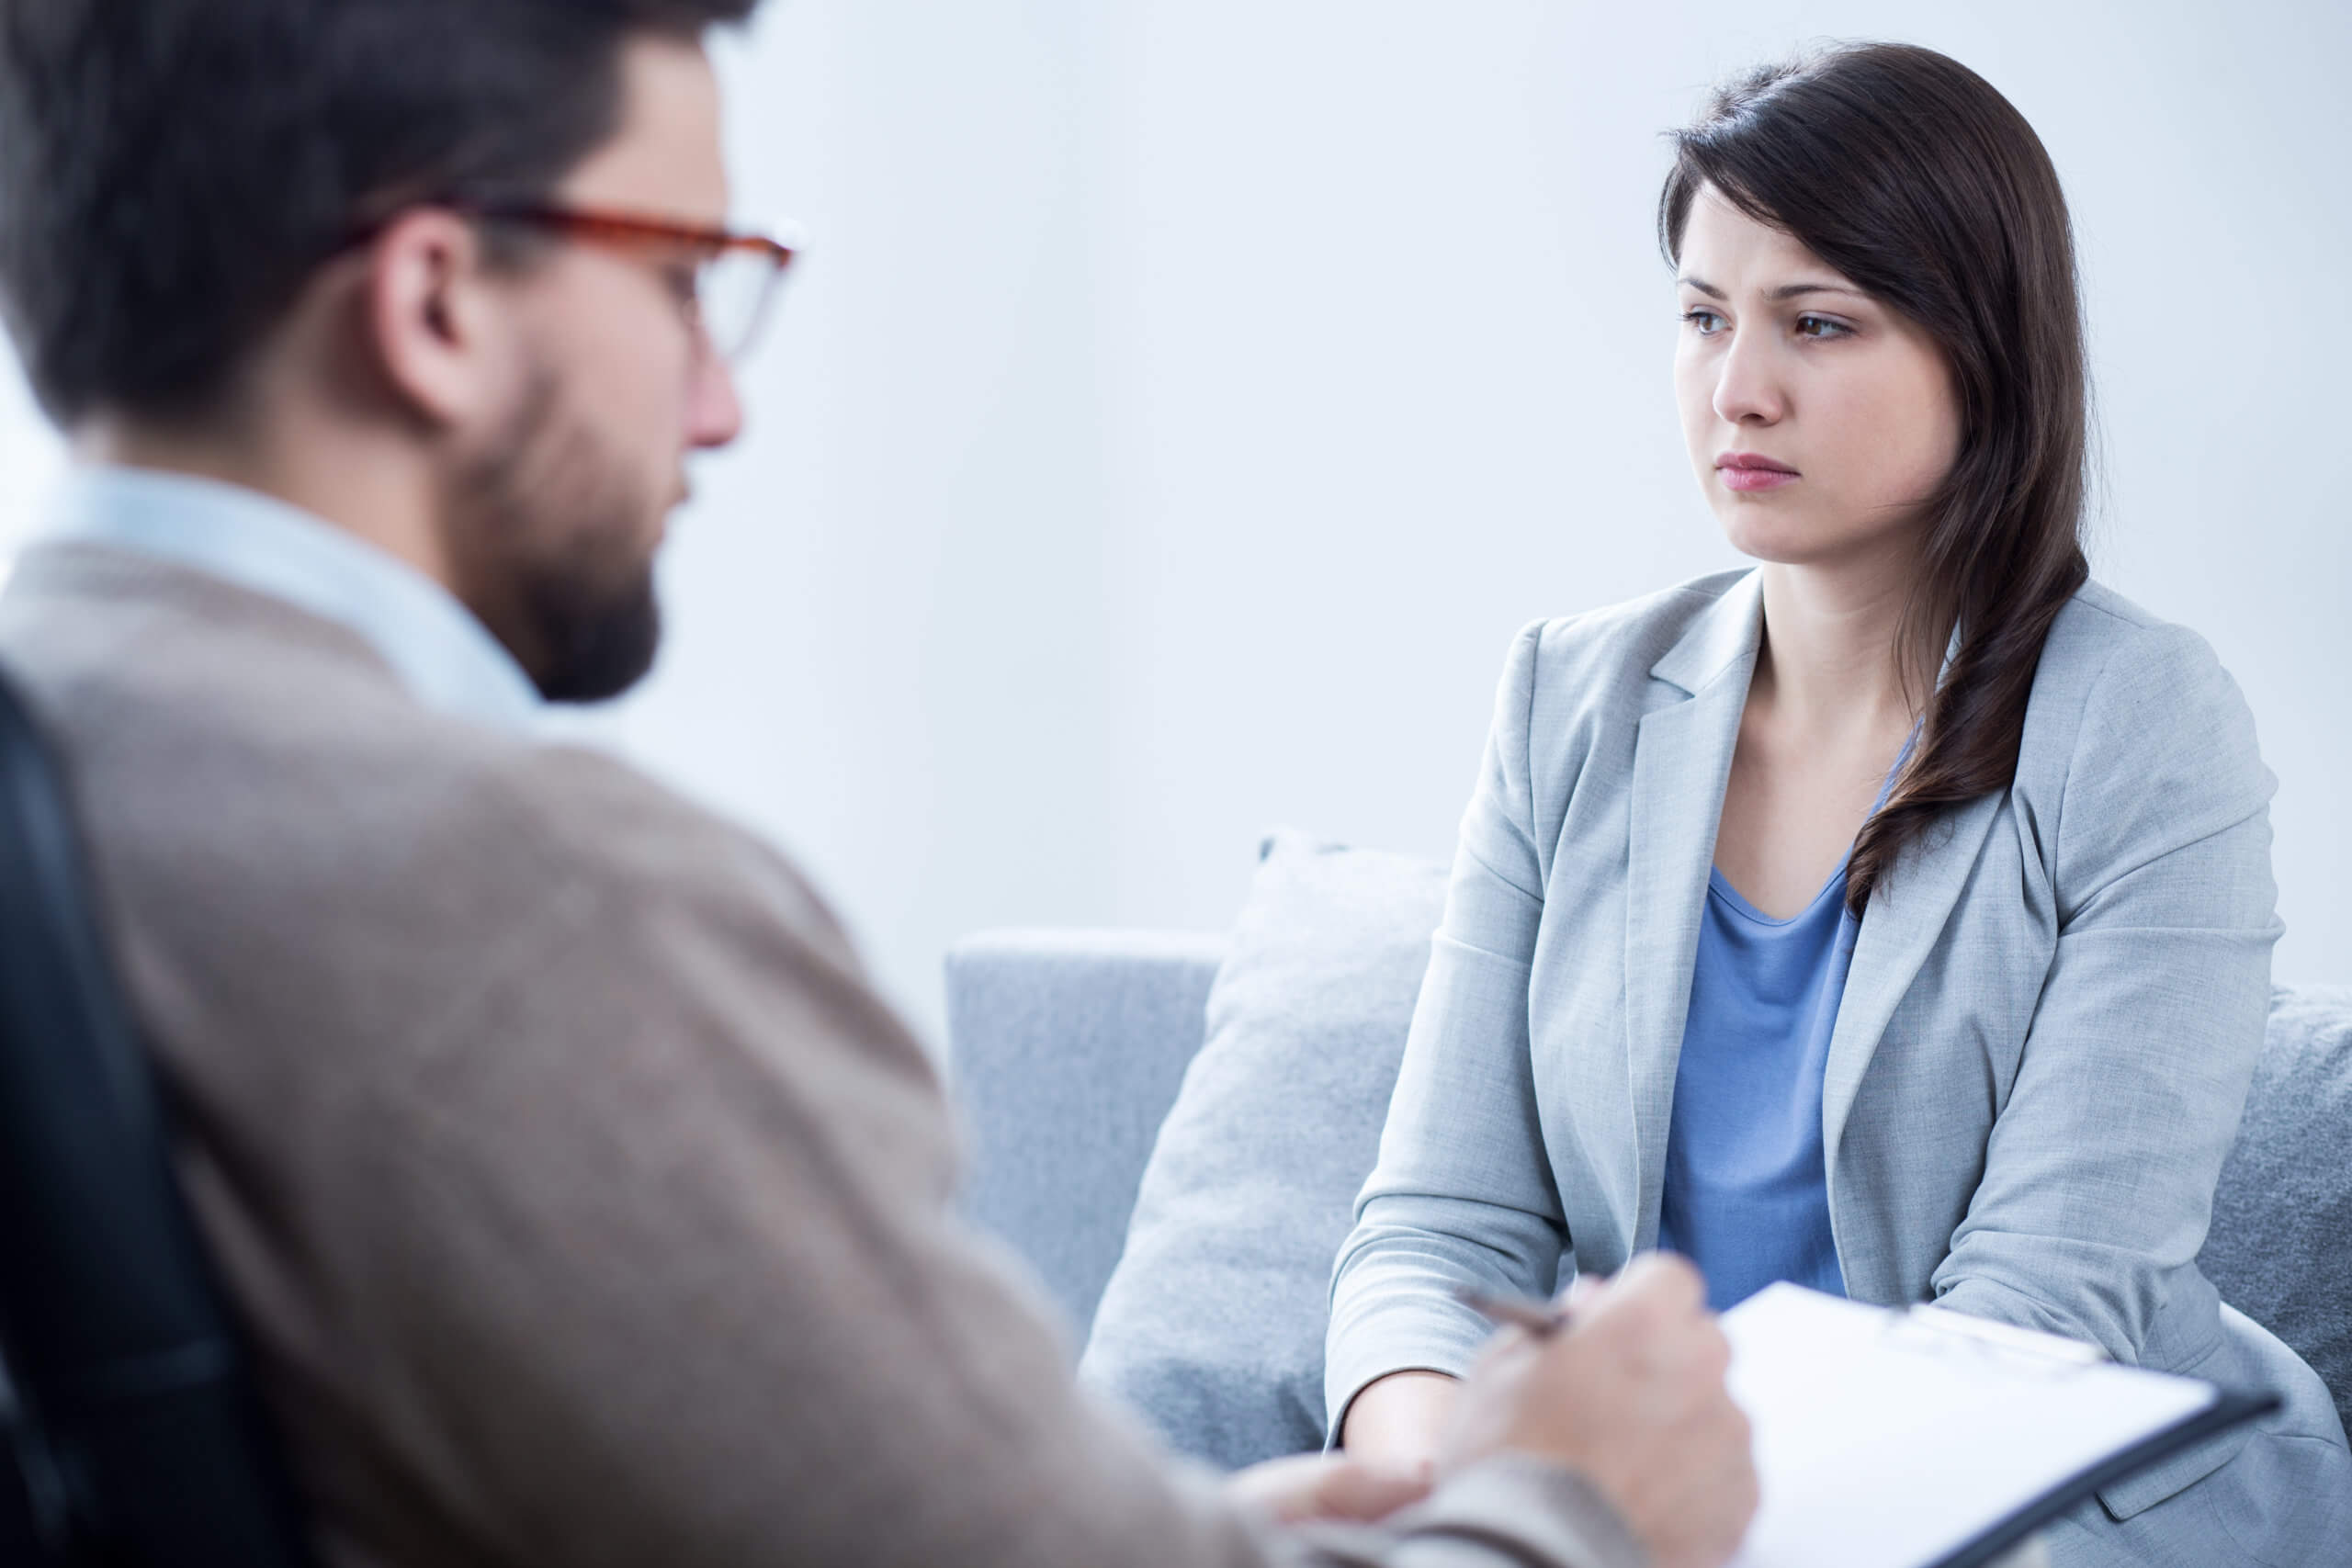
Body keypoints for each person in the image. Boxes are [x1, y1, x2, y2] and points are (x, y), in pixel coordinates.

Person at [0, 2, 1760, 1566]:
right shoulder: (536, 907)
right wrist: (1569, 1509)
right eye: (684, 277)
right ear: (437, 303)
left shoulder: (80, 759)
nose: (718, 405)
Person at [1325, 40, 2352, 1568]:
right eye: (1703, 317)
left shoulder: (2140, 722)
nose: (1738, 389)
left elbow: (2038, 1312)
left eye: (1818, 322)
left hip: (2038, 1509)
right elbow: (1432, 1233)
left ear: (1983, 354)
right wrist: (1465, 1516)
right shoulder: (1569, 698)